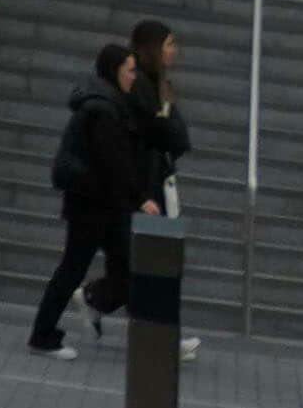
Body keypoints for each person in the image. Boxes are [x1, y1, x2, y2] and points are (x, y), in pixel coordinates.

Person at [25, 22, 184, 357]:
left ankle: (154, 337)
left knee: (129, 268)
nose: (133, 76)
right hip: (93, 207)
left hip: (103, 205)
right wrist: (142, 199)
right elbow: (114, 164)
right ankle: (43, 335)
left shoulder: (110, 104)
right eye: (128, 71)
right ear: (114, 72)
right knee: (73, 270)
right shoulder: (104, 111)